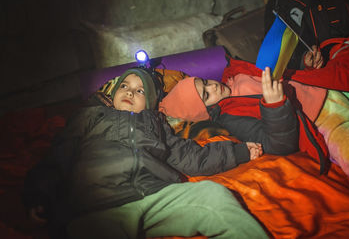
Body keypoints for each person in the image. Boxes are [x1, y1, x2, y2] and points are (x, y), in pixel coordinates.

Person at [22, 67, 270, 239]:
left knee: (212, 195)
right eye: (125, 86)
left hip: (153, 196)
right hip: (99, 204)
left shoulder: (157, 127)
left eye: (140, 90)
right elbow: (58, 158)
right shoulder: (91, 116)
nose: (130, 92)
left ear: (150, 102)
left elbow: (191, 156)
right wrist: (39, 194)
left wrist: (238, 152)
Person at [159, 47, 349, 211]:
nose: (213, 86)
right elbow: (278, 144)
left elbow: (281, 70)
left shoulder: (235, 73)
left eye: (206, 82)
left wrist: (306, 64)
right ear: (205, 111)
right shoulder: (230, 118)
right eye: (206, 94)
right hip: (325, 122)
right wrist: (274, 105)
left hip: (337, 92)